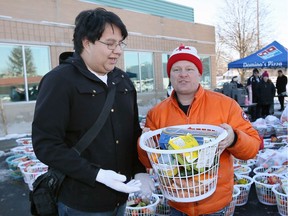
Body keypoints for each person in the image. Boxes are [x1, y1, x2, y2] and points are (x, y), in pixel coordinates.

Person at [32, 8, 154, 216]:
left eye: (120, 43)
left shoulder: (123, 81)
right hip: (81, 202)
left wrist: (139, 170)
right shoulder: (60, 81)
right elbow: (46, 144)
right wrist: (96, 174)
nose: (118, 51)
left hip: (121, 198)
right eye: (110, 43)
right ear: (86, 43)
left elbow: (132, 133)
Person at [137, 44, 261, 216]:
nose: (183, 74)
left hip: (216, 204)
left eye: (189, 68)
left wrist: (234, 138)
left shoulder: (225, 105)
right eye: (176, 69)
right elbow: (149, 162)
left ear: (200, 73)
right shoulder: (157, 113)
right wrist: (143, 144)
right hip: (177, 203)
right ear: (169, 75)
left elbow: (253, 147)